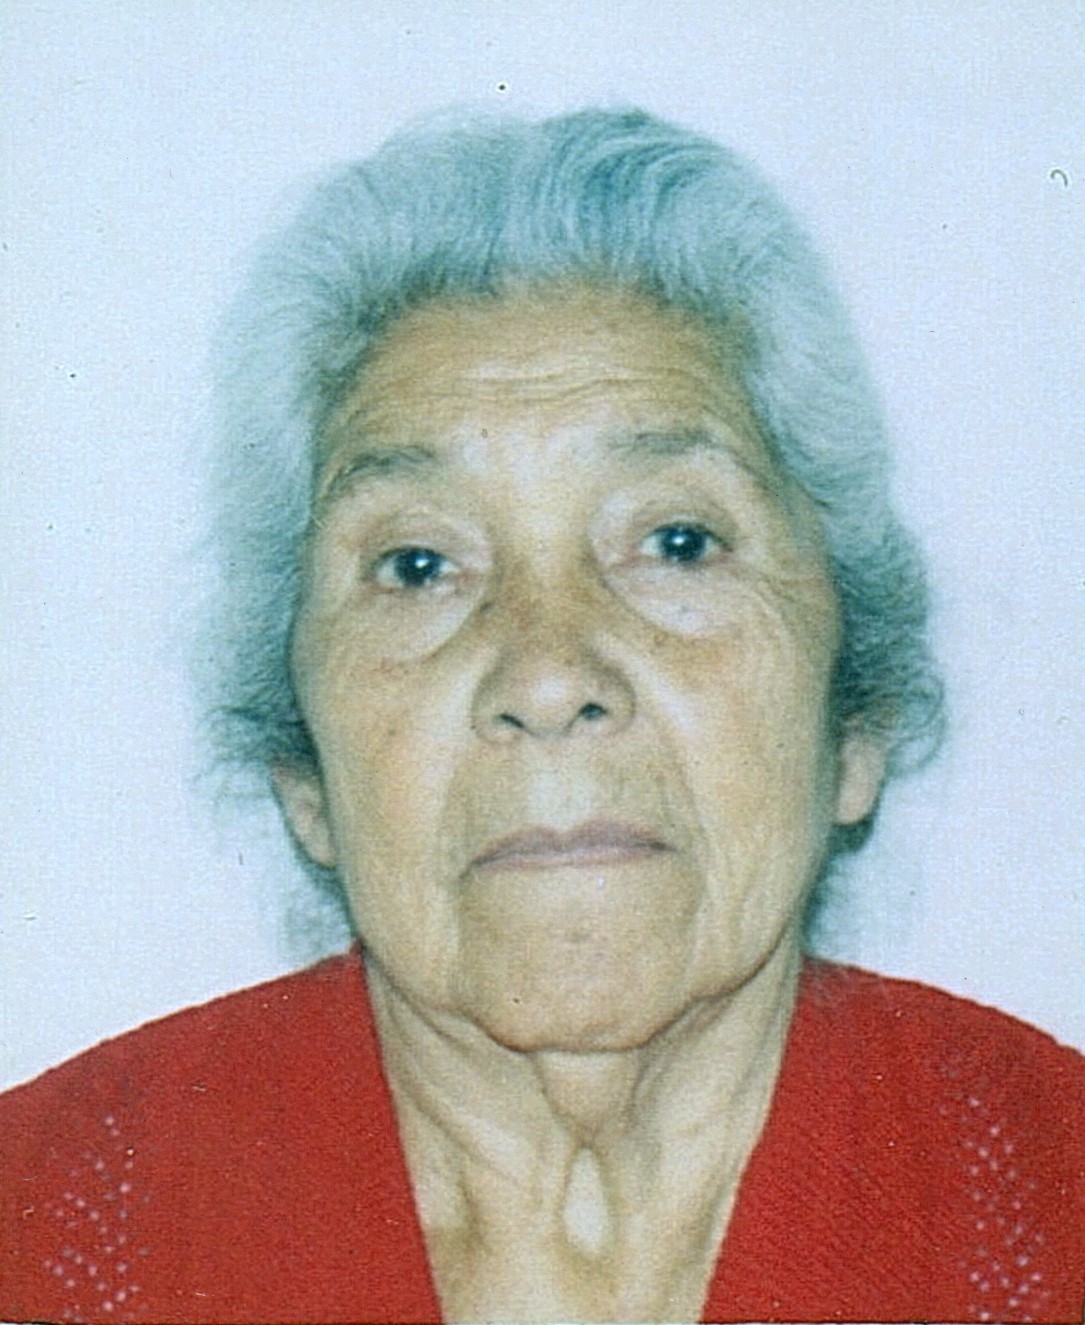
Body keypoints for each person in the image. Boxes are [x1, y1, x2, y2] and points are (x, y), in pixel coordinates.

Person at [1, 107, 1082, 1325]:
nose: (547, 672)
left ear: (853, 721)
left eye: (677, 541)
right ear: (301, 769)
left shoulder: (1058, 1205)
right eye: (417, 565)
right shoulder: (39, 1231)